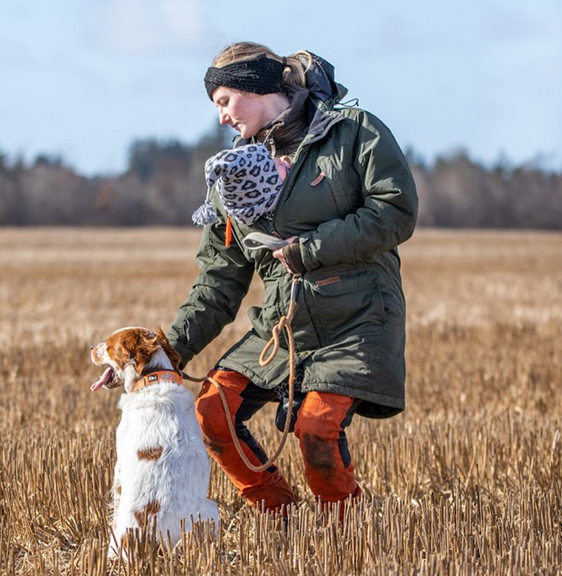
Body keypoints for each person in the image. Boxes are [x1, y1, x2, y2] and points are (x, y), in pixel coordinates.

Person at [166, 42, 418, 520]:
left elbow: (395, 211)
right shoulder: (232, 177)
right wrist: (168, 351)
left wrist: (309, 250)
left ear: (255, 87)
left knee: (317, 430)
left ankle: (347, 535)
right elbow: (218, 282)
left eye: (223, 101)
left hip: (358, 320)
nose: (221, 118)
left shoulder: (353, 132)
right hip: (281, 331)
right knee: (212, 413)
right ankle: (280, 515)